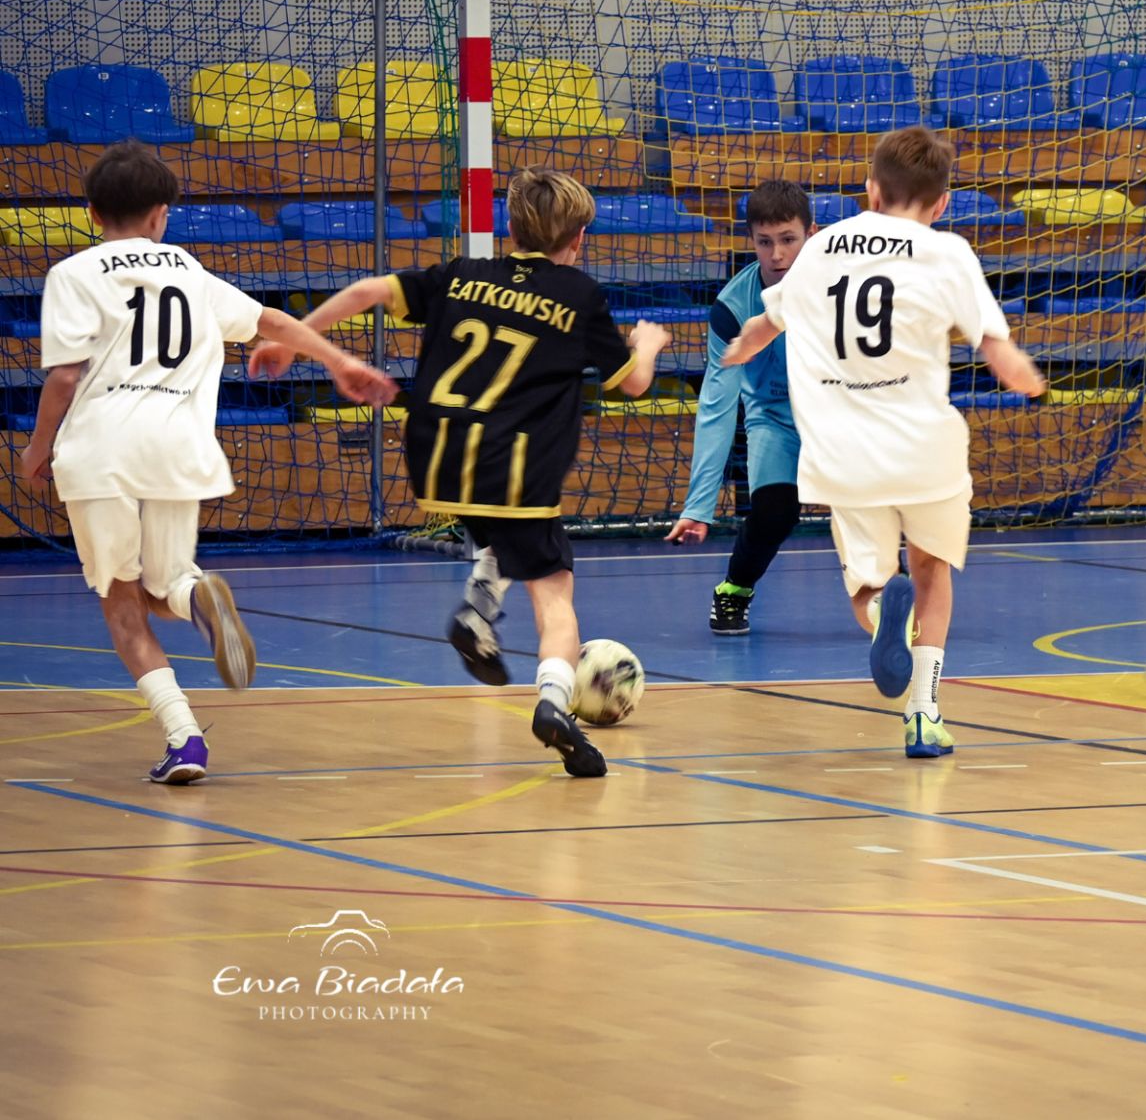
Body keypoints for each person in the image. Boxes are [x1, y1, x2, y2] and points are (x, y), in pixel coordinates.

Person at [251, 167, 670, 779]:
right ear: (578, 238)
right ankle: (555, 703)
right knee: (554, 592)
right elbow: (630, 384)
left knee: (500, 532)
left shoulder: (461, 274)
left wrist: (296, 340)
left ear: (510, 227)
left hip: (439, 458)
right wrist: (647, 345)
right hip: (515, 463)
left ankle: (477, 611)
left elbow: (367, 290)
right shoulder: (579, 294)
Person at [22, 141, 397, 784]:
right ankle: (197, 595)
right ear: (160, 215)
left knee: (121, 601)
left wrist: (36, 447)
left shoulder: (74, 273)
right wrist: (339, 361)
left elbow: (63, 376)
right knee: (165, 587)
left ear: (92, 213)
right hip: (177, 446)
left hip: (102, 448)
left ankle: (185, 739)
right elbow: (268, 320)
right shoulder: (188, 271)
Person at [721, 126, 1045, 759]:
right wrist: (1028, 379)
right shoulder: (946, 251)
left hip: (843, 451)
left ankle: (878, 622)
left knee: (869, 584)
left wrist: (737, 351)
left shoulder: (823, 246)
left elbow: (765, 322)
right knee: (931, 571)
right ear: (942, 202)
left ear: (871, 190)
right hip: (925, 447)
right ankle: (923, 711)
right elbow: (997, 350)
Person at [665, 181, 812, 635]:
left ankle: (892, 590)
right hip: (775, 417)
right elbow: (717, 407)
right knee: (774, 513)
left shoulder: (839, 289)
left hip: (837, 416)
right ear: (750, 239)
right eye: (765, 242)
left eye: (788, 239)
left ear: (810, 234)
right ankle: (734, 589)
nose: (777, 255)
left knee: (867, 506)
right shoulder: (732, 308)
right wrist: (699, 506)